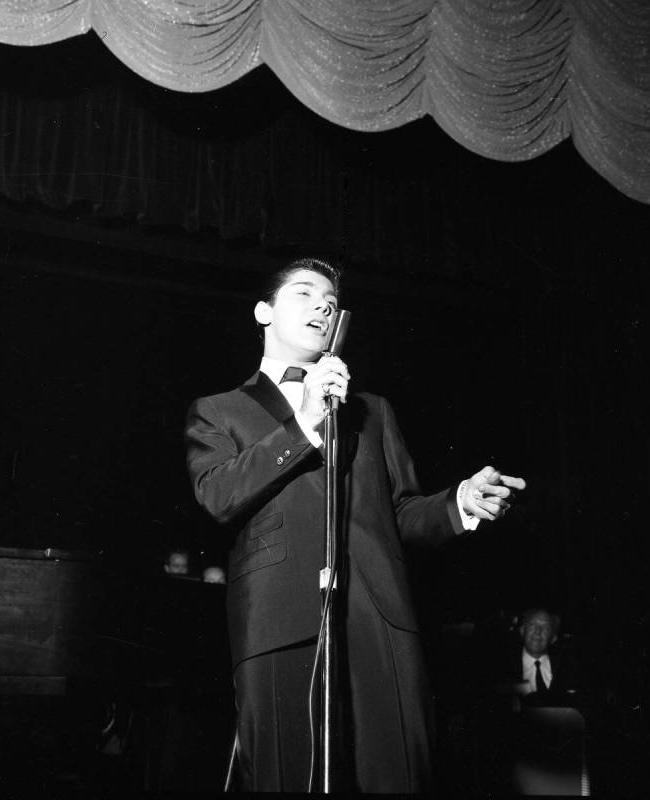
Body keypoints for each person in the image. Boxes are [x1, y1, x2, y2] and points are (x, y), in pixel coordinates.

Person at [184, 257, 526, 793]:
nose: (322, 304)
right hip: (277, 620)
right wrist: (304, 425)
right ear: (263, 313)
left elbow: (401, 516)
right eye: (303, 293)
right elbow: (218, 494)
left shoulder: (374, 411)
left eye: (330, 300)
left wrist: (457, 503)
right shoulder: (218, 410)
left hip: (379, 619)